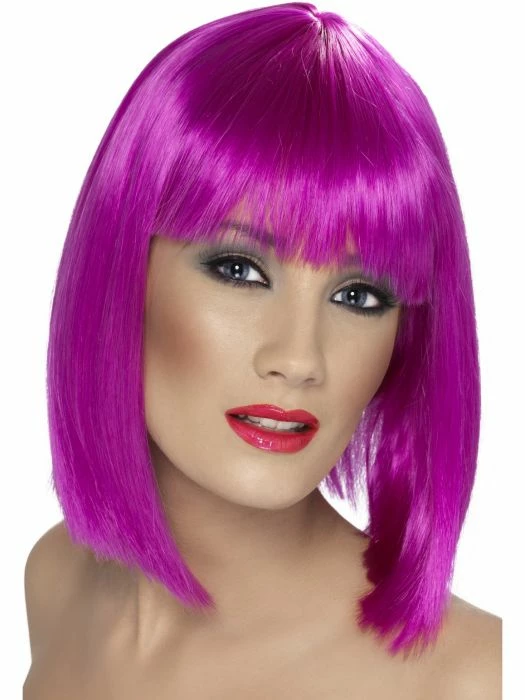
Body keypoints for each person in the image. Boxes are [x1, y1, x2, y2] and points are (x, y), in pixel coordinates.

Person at [23, 3, 501, 697]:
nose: (299, 358)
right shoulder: (56, 580)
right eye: (240, 269)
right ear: (122, 273)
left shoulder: (472, 677)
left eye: (358, 295)